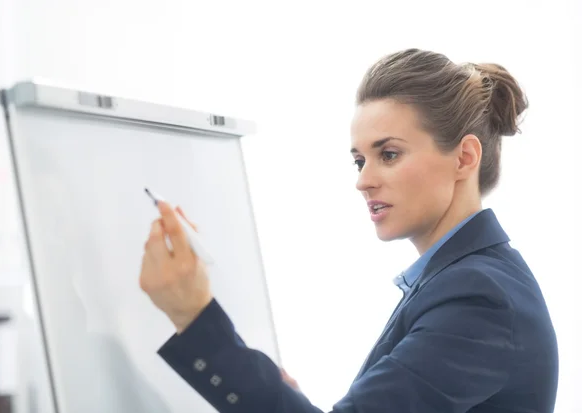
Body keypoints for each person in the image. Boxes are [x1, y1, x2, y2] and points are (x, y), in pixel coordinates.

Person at [139, 48, 559, 413]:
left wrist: (193, 316)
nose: (364, 181)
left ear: (465, 158)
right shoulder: (464, 281)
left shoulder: (478, 297)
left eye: (389, 154)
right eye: (360, 161)